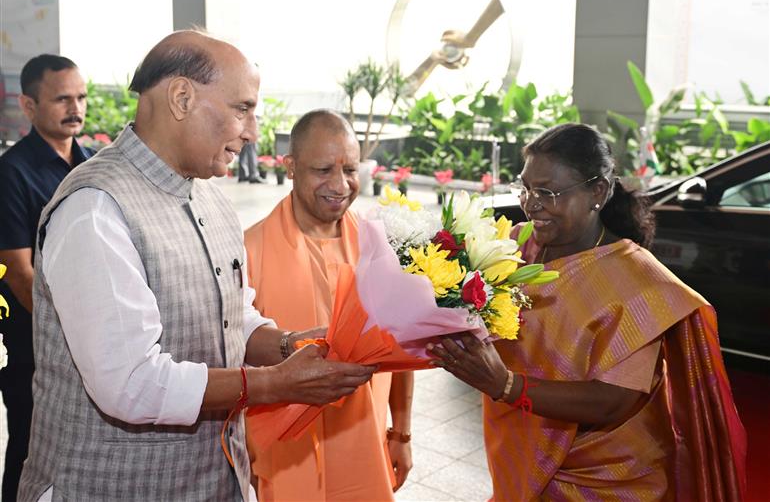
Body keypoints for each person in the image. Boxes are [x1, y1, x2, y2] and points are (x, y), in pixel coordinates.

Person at [17, 31, 376, 502]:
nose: (251, 132)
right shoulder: (96, 207)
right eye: (242, 109)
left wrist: (287, 345)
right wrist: (272, 384)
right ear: (182, 98)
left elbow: (232, 313)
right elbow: (130, 383)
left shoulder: (207, 193)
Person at [428, 123, 747, 500]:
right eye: (526, 188)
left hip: (604, 478)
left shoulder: (639, 283)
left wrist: (506, 385)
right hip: (520, 447)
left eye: (547, 192)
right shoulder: (517, 247)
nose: (532, 204)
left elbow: (615, 402)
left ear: (597, 191)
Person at [243, 109, 414, 501]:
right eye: (323, 170)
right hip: (286, 452)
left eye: (350, 170)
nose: (340, 185)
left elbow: (403, 352)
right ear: (290, 166)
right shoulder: (249, 250)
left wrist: (400, 432)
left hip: (363, 438)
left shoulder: (380, 247)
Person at [0, 54, 94, 502]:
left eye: (80, 97)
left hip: (94, 344)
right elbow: (19, 273)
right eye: (61, 99)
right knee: (28, 454)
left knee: (80, 459)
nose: (75, 108)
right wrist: (73, 334)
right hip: (36, 349)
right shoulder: (10, 174)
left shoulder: (93, 164)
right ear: (29, 105)